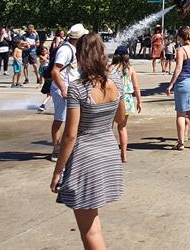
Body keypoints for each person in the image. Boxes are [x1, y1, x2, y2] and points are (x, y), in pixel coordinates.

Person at [50, 33, 124, 250]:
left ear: (80, 55)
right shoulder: (116, 81)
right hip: (108, 152)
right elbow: (121, 119)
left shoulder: (78, 88)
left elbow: (70, 135)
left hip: (86, 158)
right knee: (93, 222)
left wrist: (58, 171)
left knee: (88, 231)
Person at [49, 24, 89, 162]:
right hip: (63, 89)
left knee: (73, 120)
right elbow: (55, 71)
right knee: (60, 119)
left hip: (72, 89)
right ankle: (56, 149)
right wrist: (63, 90)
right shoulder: (65, 50)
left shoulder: (74, 48)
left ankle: (69, 147)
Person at [165, 27, 190, 150]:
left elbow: (178, 67)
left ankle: (181, 143)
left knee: (181, 113)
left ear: (180, 37)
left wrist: (171, 84)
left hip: (185, 83)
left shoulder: (180, 50)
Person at [110, 46, 141, 162]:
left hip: (112, 98)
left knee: (109, 128)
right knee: (122, 127)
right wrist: (139, 101)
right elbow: (136, 87)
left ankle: (110, 153)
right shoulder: (131, 69)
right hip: (127, 99)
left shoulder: (109, 68)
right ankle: (124, 154)